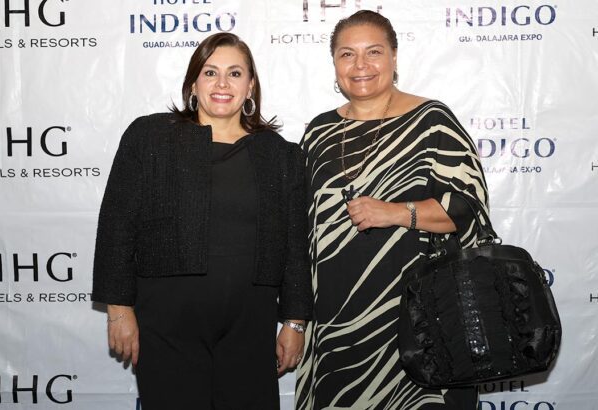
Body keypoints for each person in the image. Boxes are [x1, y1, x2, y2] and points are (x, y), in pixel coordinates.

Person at [92, 32, 312, 410]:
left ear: (250, 85)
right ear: (193, 83)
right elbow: (117, 225)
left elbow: (294, 245)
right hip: (167, 324)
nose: (222, 83)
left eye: (234, 73)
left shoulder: (280, 155)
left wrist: (295, 322)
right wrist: (118, 310)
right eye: (210, 73)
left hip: (249, 324)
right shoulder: (149, 137)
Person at [295, 10, 488, 410]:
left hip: (418, 321)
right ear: (334, 63)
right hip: (335, 323)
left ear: (394, 57)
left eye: (374, 52)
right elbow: (299, 230)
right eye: (347, 54)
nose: (360, 65)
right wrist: (296, 321)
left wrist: (397, 213)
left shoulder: (431, 121)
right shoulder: (318, 132)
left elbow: (468, 208)